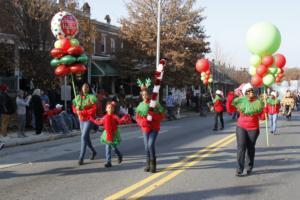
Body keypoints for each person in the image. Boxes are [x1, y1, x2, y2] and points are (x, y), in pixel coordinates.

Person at [227, 83, 265, 177]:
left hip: (253, 128)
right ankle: (239, 169)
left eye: (251, 90)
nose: (250, 92)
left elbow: (262, 117)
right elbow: (230, 109)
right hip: (241, 127)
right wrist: (230, 98)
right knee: (241, 147)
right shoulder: (240, 101)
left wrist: (265, 109)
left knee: (250, 148)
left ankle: (249, 167)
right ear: (244, 93)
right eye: (248, 91)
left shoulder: (258, 102)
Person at [90, 102, 131, 168]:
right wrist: (92, 119)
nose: (110, 109)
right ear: (106, 109)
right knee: (107, 148)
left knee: (114, 148)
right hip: (107, 134)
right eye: (109, 107)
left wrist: (125, 118)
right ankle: (108, 162)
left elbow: (119, 121)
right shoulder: (104, 117)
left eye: (112, 108)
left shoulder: (115, 116)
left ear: (113, 109)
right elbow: (99, 122)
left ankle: (119, 155)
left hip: (113, 133)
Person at [136, 89, 164, 173]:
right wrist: (142, 122)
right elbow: (137, 117)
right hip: (145, 128)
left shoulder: (154, 103)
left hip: (154, 127)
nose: (145, 96)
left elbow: (162, 114)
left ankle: (153, 164)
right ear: (142, 96)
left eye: (146, 94)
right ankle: (148, 165)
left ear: (149, 95)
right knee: (146, 147)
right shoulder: (140, 105)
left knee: (150, 144)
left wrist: (153, 116)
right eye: (143, 95)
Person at [72, 83, 98, 165]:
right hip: (81, 120)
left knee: (83, 137)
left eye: (87, 87)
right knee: (86, 138)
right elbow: (74, 107)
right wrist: (76, 110)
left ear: (89, 88)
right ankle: (93, 152)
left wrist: (82, 112)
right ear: (81, 88)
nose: (85, 88)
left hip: (89, 119)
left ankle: (81, 158)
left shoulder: (91, 97)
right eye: (83, 87)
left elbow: (94, 109)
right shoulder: (78, 97)